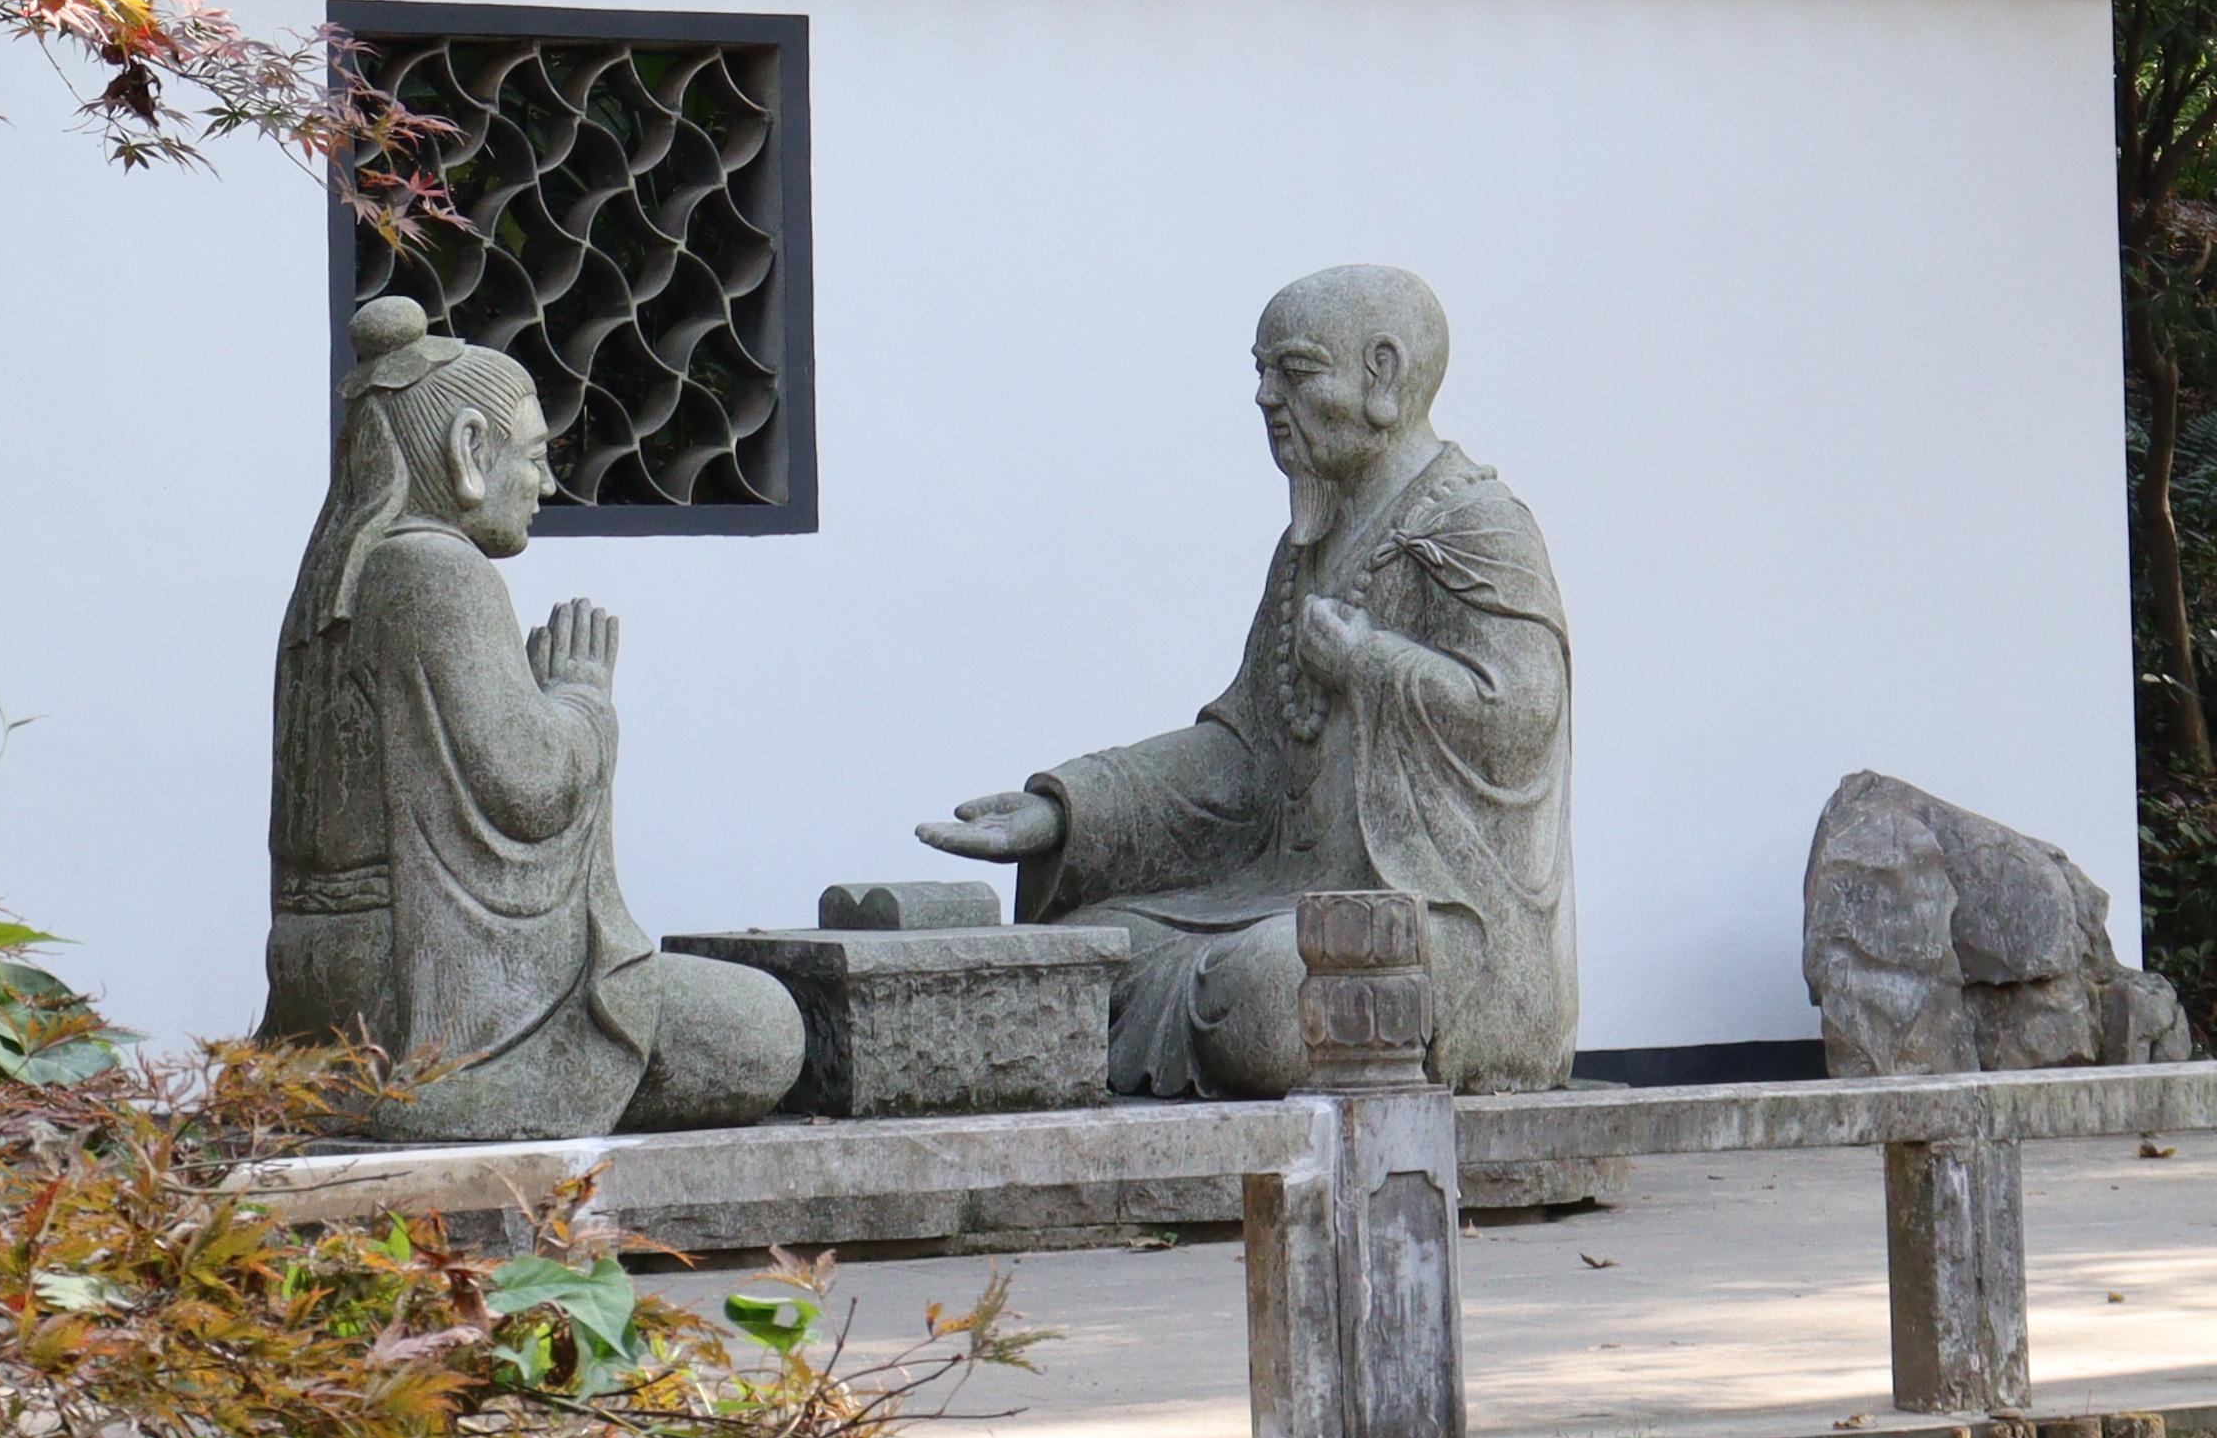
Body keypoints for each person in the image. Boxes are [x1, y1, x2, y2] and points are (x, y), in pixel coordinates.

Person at [924, 265, 1576, 1095]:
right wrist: (1068, 809)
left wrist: (1366, 662)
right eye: (1261, 374)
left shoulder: (1475, 524)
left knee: (1270, 996)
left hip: (1440, 919)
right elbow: (1243, 756)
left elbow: (1521, 713)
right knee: (1086, 950)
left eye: (1295, 371)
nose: (1268, 398)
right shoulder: (1307, 549)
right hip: (1286, 900)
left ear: (1382, 376)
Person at [265, 297, 799, 1139]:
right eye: (535, 454)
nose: (546, 484)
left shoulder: (330, 580)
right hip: (422, 984)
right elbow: (529, 789)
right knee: (763, 1029)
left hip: (315, 973)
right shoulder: (437, 571)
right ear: (469, 450)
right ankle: (454, 1091)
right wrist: (583, 700)